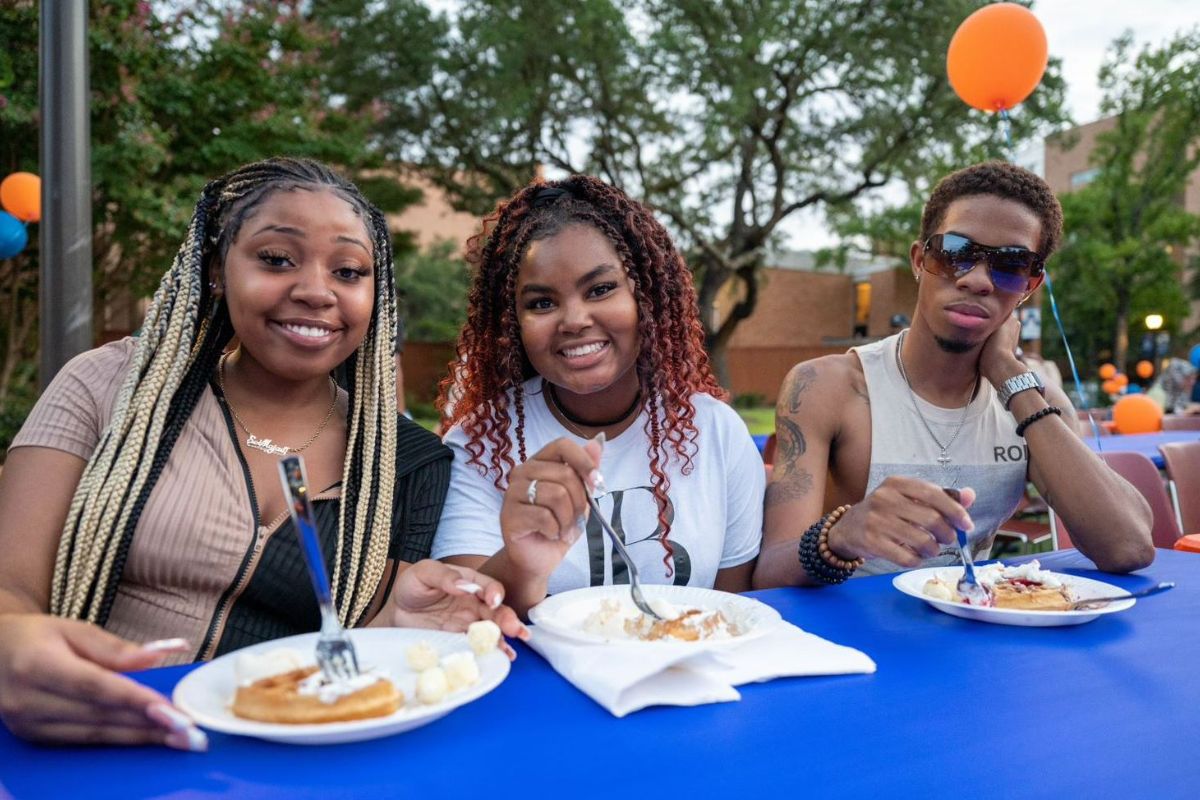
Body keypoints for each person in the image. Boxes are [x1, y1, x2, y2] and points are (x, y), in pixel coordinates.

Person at [0, 158, 525, 750]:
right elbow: (10, 588)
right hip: (85, 740)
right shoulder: (108, 387)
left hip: (284, 763)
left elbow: (359, 650)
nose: (315, 291)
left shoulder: (406, 462)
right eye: (276, 259)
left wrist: (396, 625)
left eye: (349, 271)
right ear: (218, 269)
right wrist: (12, 640)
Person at [753, 161, 1154, 589]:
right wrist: (843, 534)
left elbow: (1128, 547)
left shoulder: (1037, 403)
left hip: (972, 638)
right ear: (919, 260)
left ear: (1030, 286)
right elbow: (769, 573)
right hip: (846, 640)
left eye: (1010, 265)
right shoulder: (829, 387)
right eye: (956, 253)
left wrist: (1007, 373)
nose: (978, 280)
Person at [431, 175, 763, 617]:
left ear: (645, 296)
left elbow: (730, 612)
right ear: (513, 323)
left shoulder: (715, 432)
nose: (574, 319)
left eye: (601, 289)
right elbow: (466, 618)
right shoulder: (479, 445)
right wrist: (523, 561)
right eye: (541, 303)